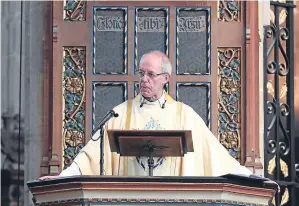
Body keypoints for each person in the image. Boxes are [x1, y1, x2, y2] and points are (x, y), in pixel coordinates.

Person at [41, 50, 251, 178]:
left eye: (151, 74)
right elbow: (92, 155)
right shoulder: (120, 114)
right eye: (142, 73)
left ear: (166, 78)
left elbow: (216, 155)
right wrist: (63, 176)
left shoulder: (184, 116)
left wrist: (250, 177)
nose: (144, 79)